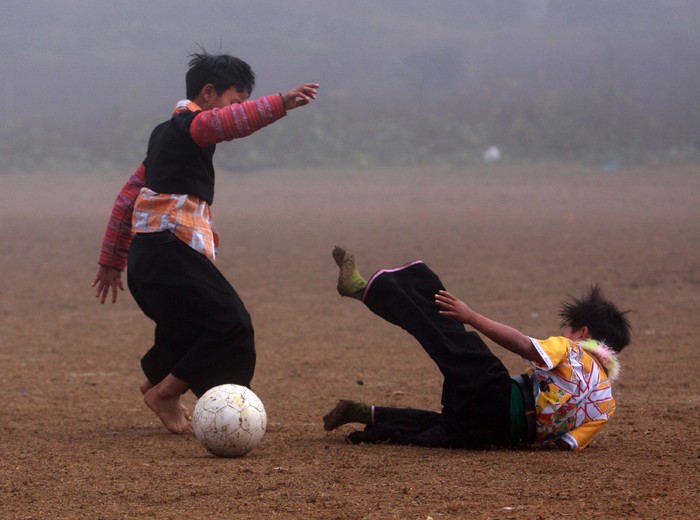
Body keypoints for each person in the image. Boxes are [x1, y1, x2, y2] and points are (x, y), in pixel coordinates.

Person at [91, 50, 319, 434]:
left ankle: (156, 382)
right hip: (167, 252)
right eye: (235, 100)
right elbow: (227, 123)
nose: (236, 109)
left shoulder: (163, 136)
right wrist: (280, 104)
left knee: (191, 327)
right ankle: (165, 393)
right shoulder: (191, 125)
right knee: (231, 324)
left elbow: (127, 197)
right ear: (208, 93)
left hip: (147, 258)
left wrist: (112, 260)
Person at [323, 247, 631, 450]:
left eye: (568, 327)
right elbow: (568, 444)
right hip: (498, 436)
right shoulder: (606, 404)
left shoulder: (573, 352)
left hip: (495, 397)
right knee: (437, 427)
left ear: (584, 333)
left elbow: (523, 345)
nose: (563, 332)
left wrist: (472, 317)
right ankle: (366, 414)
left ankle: (366, 289)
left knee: (450, 335)